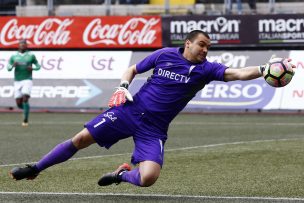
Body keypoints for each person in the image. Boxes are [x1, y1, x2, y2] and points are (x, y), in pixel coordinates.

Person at [9, 30, 295, 187]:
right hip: (129, 111)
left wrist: (264, 68)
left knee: (147, 178)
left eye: (208, 46)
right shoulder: (165, 55)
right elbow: (132, 68)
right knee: (80, 140)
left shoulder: (208, 70)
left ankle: (122, 174)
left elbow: (238, 74)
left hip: (154, 128)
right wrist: (122, 87)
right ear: (188, 44)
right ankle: (36, 167)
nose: (205, 50)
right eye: (201, 45)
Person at [7, 39, 41, 127]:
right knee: (18, 103)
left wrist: (33, 69)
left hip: (27, 79)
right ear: (18, 45)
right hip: (17, 81)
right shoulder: (14, 56)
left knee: (25, 98)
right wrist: (12, 66)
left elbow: (38, 66)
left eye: (24, 44)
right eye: (21, 44)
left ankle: (25, 120)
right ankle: (26, 110)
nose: (22, 45)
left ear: (26, 45)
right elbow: (8, 68)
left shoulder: (31, 56)